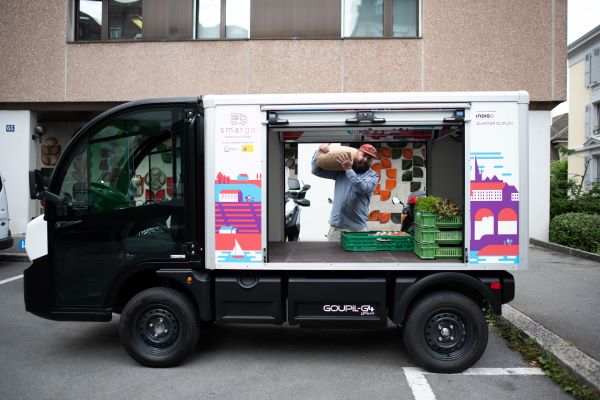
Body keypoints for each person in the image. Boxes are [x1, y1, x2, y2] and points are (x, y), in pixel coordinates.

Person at [311, 143, 379, 241]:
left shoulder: (372, 176)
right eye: (363, 155)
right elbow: (316, 170)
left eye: (369, 158)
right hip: (336, 229)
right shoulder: (341, 170)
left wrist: (349, 170)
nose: (365, 160)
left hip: (357, 230)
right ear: (357, 153)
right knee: (332, 256)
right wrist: (319, 150)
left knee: (357, 257)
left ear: (372, 161)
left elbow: (363, 188)